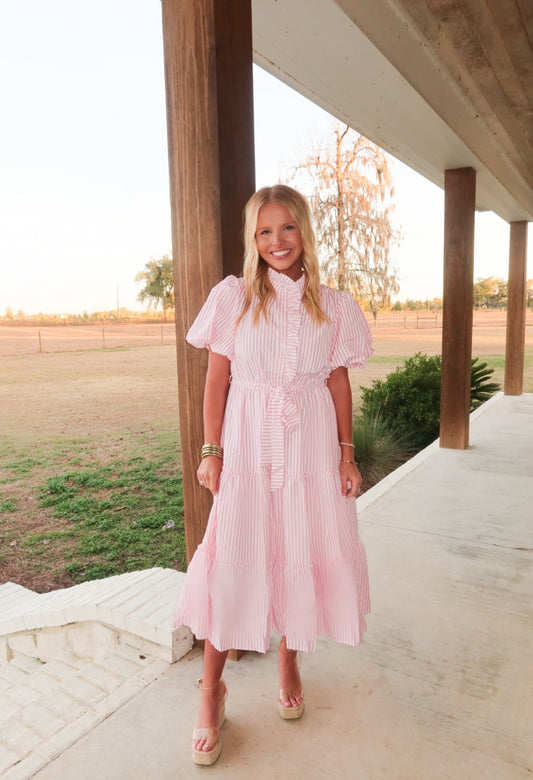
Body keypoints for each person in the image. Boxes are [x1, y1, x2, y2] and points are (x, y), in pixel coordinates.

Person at [173, 184, 372, 765]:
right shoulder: (234, 297)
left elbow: (337, 383)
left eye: (287, 229)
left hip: (310, 448)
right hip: (248, 446)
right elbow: (217, 378)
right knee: (232, 554)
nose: (277, 241)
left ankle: (290, 656)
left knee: (300, 549)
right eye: (265, 231)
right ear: (252, 238)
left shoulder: (333, 304)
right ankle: (211, 691)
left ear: (303, 232)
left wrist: (346, 453)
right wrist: (211, 449)